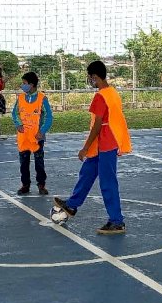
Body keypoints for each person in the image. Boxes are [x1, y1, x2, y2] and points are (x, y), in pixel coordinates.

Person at [53, 61, 132, 235]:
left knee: (107, 182)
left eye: (90, 77)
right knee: (87, 173)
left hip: (106, 143)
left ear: (94, 77)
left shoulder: (101, 96)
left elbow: (97, 125)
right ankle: (72, 205)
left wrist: (85, 147)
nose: (90, 80)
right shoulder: (113, 93)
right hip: (104, 143)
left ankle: (117, 221)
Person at [12, 72, 53, 195]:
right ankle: (25, 185)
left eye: (24, 83)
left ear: (32, 84)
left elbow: (49, 117)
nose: (22, 86)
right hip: (23, 137)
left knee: (39, 162)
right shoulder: (20, 98)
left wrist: (42, 131)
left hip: (37, 137)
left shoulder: (42, 98)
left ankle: (41, 184)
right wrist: (18, 124)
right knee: (23, 162)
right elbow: (14, 113)